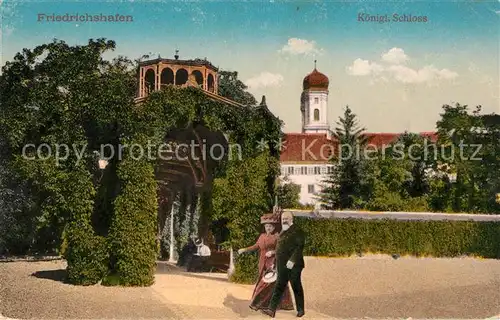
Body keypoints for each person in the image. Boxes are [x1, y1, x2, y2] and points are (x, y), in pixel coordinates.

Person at [237, 213, 294, 312]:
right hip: (262, 262)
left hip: (273, 262)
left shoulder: (277, 237)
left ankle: (258, 303)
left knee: (267, 282)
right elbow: (255, 246)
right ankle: (277, 303)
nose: (268, 228)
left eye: (270, 226)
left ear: (274, 227)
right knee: (269, 282)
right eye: (266, 226)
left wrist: (272, 252)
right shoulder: (262, 236)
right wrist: (244, 249)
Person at [261, 211, 305, 318]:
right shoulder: (282, 231)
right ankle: (271, 310)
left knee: (296, 286)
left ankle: (301, 310)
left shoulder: (298, 231)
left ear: (291, 220)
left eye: (286, 219)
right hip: (282, 265)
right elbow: (279, 249)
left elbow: (299, 248)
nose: (284, 221)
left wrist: (292, 260)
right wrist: (275, 263)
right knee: (279, 286)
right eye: (283, 219)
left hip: (294, 266)